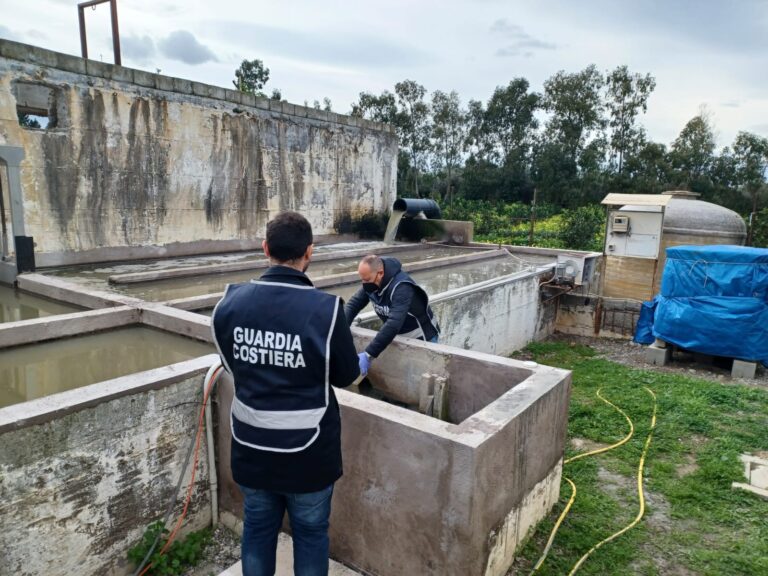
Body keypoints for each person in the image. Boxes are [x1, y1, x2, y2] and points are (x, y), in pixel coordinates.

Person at [211, 211, 360, 576]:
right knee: (310, 535)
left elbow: (232, 366)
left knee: (258, 530)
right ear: (309, 252)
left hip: (251, 449)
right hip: (309, 457)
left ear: (266, 248)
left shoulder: (229, 304)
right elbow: (345, 375)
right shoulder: (327, 311)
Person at [344, 254, 440, 376]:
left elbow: (394, 323)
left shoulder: (401, 287)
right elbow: (353, 305)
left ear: (380, 273)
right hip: (398, 336)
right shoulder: (372, 283)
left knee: (416, 377)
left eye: (367, 280)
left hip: (422, 337)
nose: (364, 284)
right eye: (362, 279)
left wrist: (368, 354)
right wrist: (341, 329)